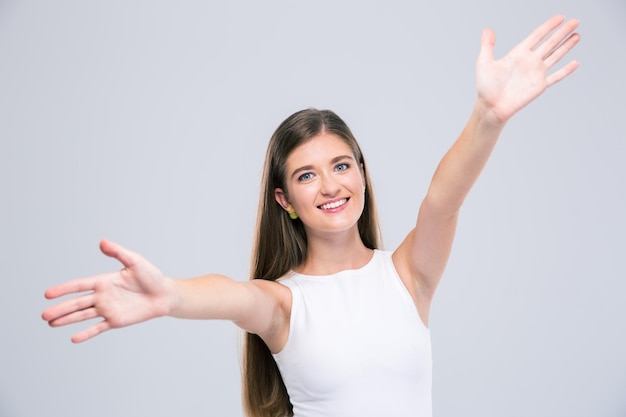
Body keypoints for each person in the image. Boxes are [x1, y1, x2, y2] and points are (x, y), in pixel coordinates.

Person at [42, 15, 580, 417]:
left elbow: (442, 200)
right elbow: (232, 294)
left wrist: (487, 116)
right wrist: (170, 297)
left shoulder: (408, 276)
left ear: (362, 174)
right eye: (305, 175)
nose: (330, 186)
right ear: (284, 201)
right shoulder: (283, 303)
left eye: (341, 165)